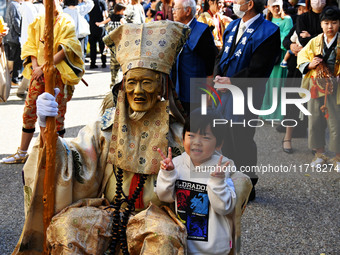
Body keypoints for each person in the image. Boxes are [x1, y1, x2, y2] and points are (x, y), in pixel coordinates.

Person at [12, 21, 191, 254]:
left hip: (157, 216)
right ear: (123, 86)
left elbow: (207, 171)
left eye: (146, 82)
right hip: (108, 211)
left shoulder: (180, 134)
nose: (138, 91)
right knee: (67, 227)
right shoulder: (106, 128)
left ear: (162, 86)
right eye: (132, 82)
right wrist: (48, 129)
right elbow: (73, 159)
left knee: (162, 240)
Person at [0, 0, 84, 164]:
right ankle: (22, 152)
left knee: (56, 113)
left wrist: (45, 66)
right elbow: (31, 45)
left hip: (58, 75)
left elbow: (66, 48)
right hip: (38, 74)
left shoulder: (65, 20)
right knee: (30, 110)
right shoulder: (39, 20)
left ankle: (56, 152)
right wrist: (36, 67)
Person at [213, 0, 281, 200]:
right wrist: (219, 77)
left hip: (247, 93)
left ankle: (247, 186)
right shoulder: (233, 25)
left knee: (242, 138)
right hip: (224, 91)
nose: (233, 3)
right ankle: (230, 180)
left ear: (250, 3)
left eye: (238, 0)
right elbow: (221, 55)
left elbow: (260, 69)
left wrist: (232, 81)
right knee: (224, 135)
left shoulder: (268, 31)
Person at [156, 108, 236, 255]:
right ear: (183, 137)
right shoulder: (177, 164)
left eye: (205, 137)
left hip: (212, 248)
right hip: (181, 243)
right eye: (191, 135)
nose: (197, 142)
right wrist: (167, 173)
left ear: (219, 143)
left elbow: (224, 207)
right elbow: (164, 197)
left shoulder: (222, 168)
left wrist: (217, 181)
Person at [297, 6, 340, 170]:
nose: (330, 27)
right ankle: (319, 153)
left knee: (336, 122)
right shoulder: (314, 41)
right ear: (321, 24)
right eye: (326, 23)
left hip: (336, 88)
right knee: (315, 121)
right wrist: (309, 64)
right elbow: (301, 57)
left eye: (334, 23)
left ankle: (338, 157)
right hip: (316, 85)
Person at [172, 0, 218, 114]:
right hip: (179, 91)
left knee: (195, 128)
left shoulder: (202, 32)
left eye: (176, 9)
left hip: (196, 94)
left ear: (187, 11)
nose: (173, 12)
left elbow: (211, 65)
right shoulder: (177, 29)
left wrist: (209, 93)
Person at [280, 0, 308, 154]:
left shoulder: (321, 21)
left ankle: (317, 147)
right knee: (291, 101)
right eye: (299, 9)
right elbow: (286, 40)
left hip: (313, 70)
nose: (301, 12)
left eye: (304, 9)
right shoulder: (297, 23)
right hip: (295, 69)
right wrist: (291, 46)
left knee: (311, 106)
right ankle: (287, 138)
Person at [260, 0, 293, 121]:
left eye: (278, 6)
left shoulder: (287, 20)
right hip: (268, 57)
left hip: (280, 57)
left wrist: (272, 37)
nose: (276, 9)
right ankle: (265, 113)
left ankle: (277, 115)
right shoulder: (266, 20)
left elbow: (286, 41)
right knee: (267, 86)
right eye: (273, 6)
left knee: (278, 85)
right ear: (268, 7)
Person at [96, 3, 126, 87]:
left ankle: (114, 83)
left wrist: (100, 24)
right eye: (124, 10)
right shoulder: (120, 18)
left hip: (113, 44)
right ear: (120, 10)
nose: (124, 12)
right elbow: (125, 25)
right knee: (120, 65)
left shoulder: (114, 17)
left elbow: (106, 21)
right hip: (119, 44)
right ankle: (118, 83)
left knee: (114, 66)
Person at [4, 0, 23, 87]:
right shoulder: (14, 5)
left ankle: (13, 78)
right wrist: (21, 32)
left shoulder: (11, 4)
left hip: (11, 36)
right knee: (17, 58)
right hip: (14, 36)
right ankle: (14, 79)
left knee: (14, 58)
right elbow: (16, 21)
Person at [88, 0, 108, 68]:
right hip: (100, 25)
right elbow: (106, 14)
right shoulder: (102, 2)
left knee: (92, 46)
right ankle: (104, 62)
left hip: (92, 25)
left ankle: (92, 63)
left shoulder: (90, 2)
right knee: (102, 45)